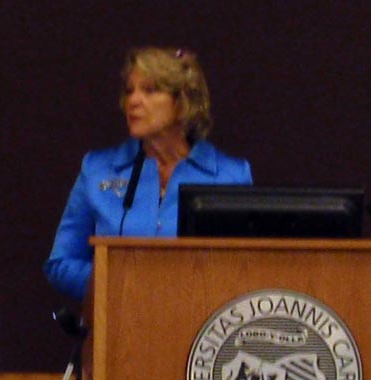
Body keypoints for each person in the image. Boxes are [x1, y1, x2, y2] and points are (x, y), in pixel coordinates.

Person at [44, 46, 253, 301]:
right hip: (116, 329)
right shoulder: (97, 170)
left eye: (150, 90)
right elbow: (61, 264)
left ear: (182, 101)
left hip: (197, 329)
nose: (133, 101)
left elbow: (243, 271)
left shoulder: (230, 176)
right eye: (130, 91)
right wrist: (122, 285)